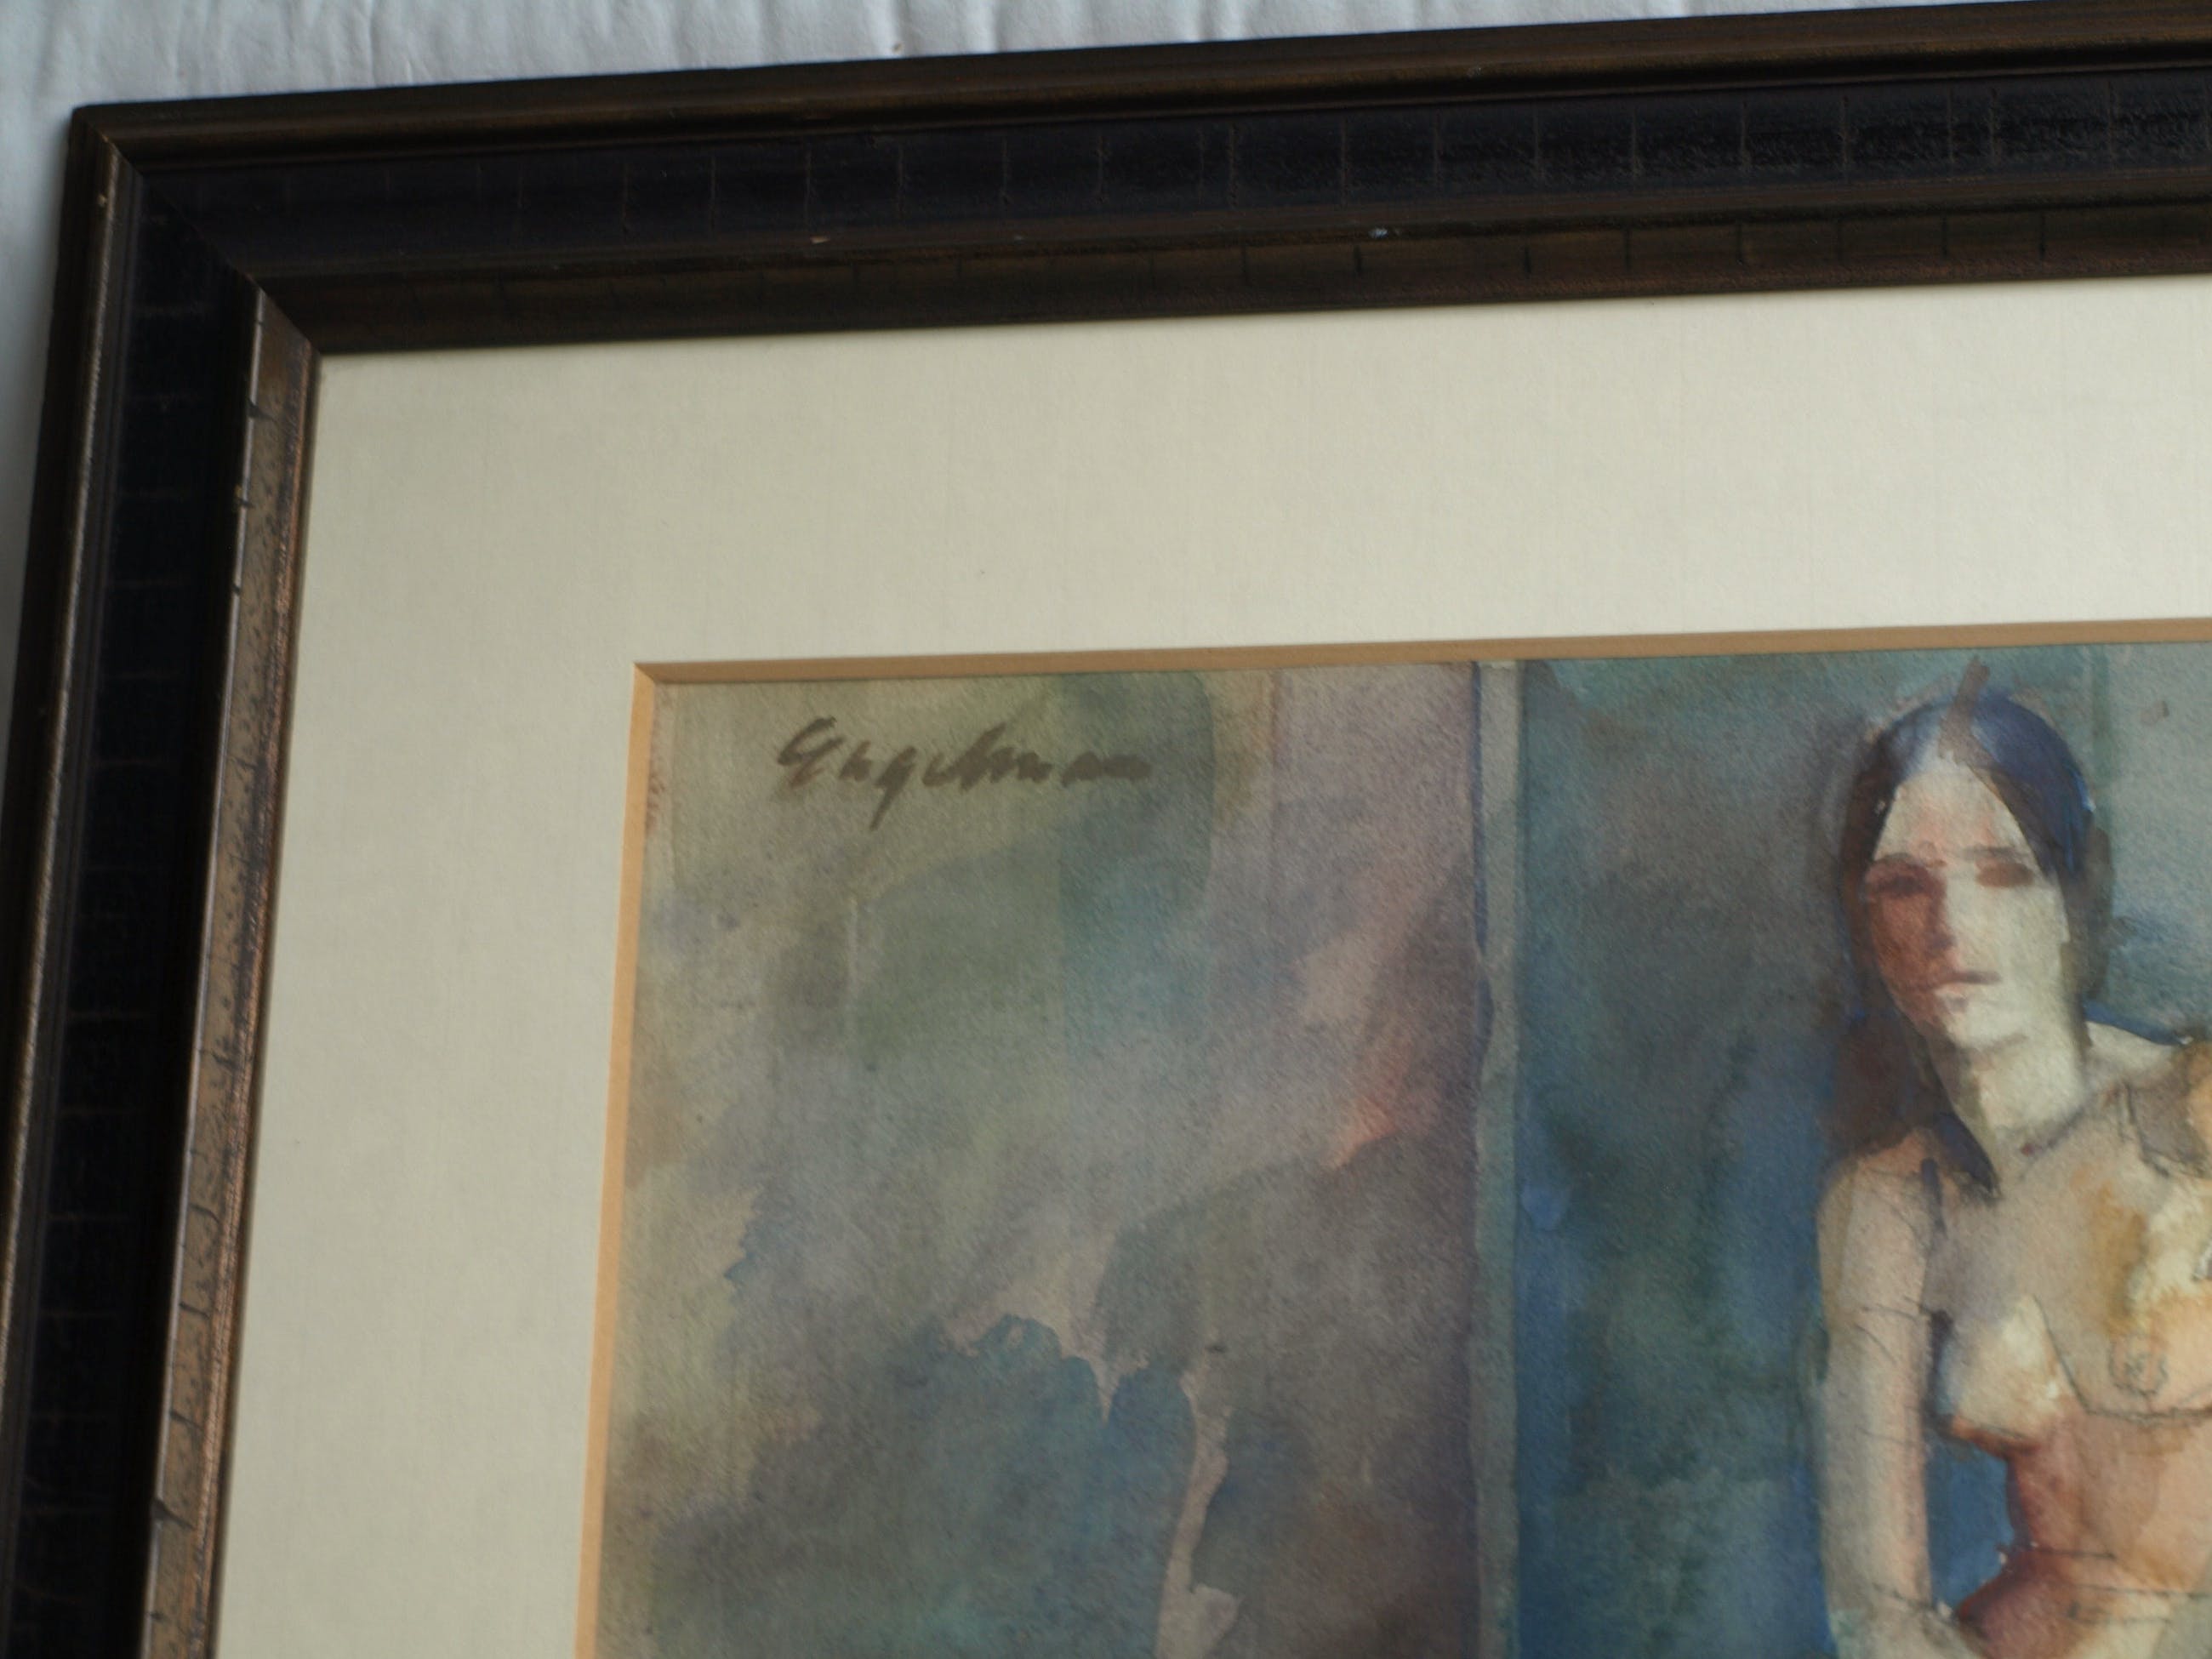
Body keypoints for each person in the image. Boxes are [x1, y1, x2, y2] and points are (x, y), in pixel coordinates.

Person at [1818, 674, 2212, 1659]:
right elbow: (1877, 1609)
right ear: (1865, 921)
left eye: (1999, 873)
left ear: (2071, 895)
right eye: (1902, 884)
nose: (1948, 927)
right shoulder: (1889, 1206)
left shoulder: (2191, 1120)